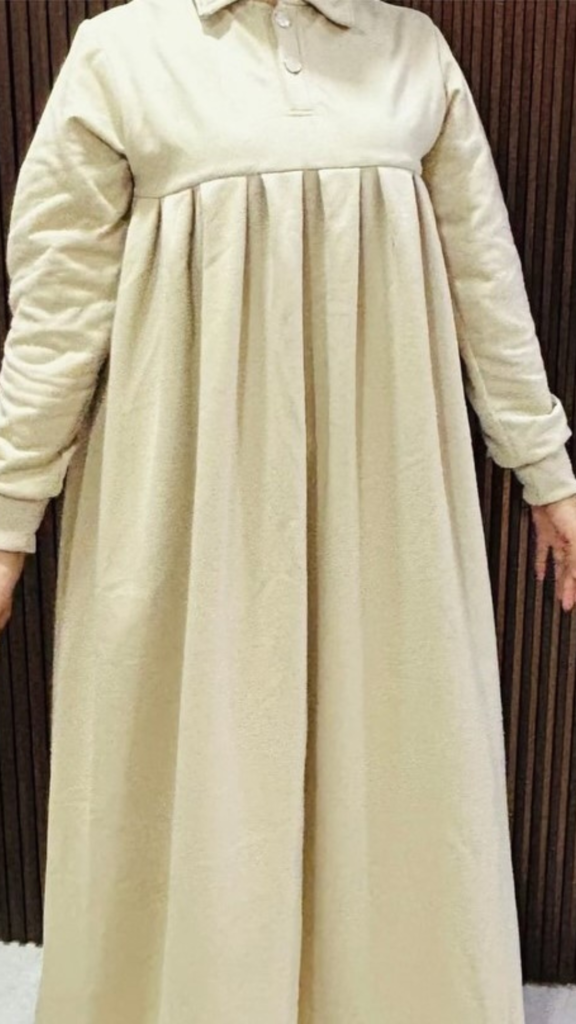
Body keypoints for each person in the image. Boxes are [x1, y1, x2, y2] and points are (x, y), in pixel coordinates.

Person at [1, 0, 575, 1021]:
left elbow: (484, 276)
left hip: (386, 502)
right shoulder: (122, 55)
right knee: (190, 770)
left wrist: (546, 466)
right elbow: (56, 312)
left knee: (394, 752)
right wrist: (9, 512)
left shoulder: (411, 51)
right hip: (183, 508)